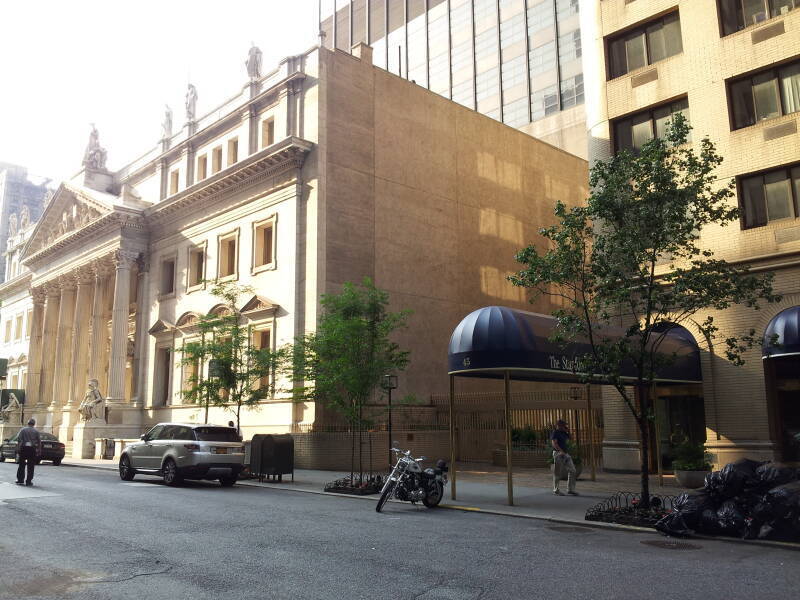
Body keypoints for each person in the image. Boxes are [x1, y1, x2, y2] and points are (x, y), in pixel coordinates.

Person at [550, 419, 578, 496]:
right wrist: (560, 451)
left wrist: (568, 431)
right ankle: (556, 489)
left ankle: (570, 489)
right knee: (557, 472)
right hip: (558, 453)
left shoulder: (564, 432)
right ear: (559, 425)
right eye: (564, 425)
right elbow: (554, 443)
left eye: (565, 425)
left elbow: (571, 439)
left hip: (565, 454)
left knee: (573, 470)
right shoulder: (555, 432)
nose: (565, 426)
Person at [16, 418, 42, 487]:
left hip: (24, 448)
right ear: (34, 424)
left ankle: (20, 480)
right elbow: (39, 441)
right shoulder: (36, 431)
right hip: (32, 449)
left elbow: (19, 439)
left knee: (21, 465)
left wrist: (18, 448)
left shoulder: (23, 430)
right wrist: (39, 450)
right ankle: (28, 481)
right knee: (31, 466)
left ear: (28, 423)